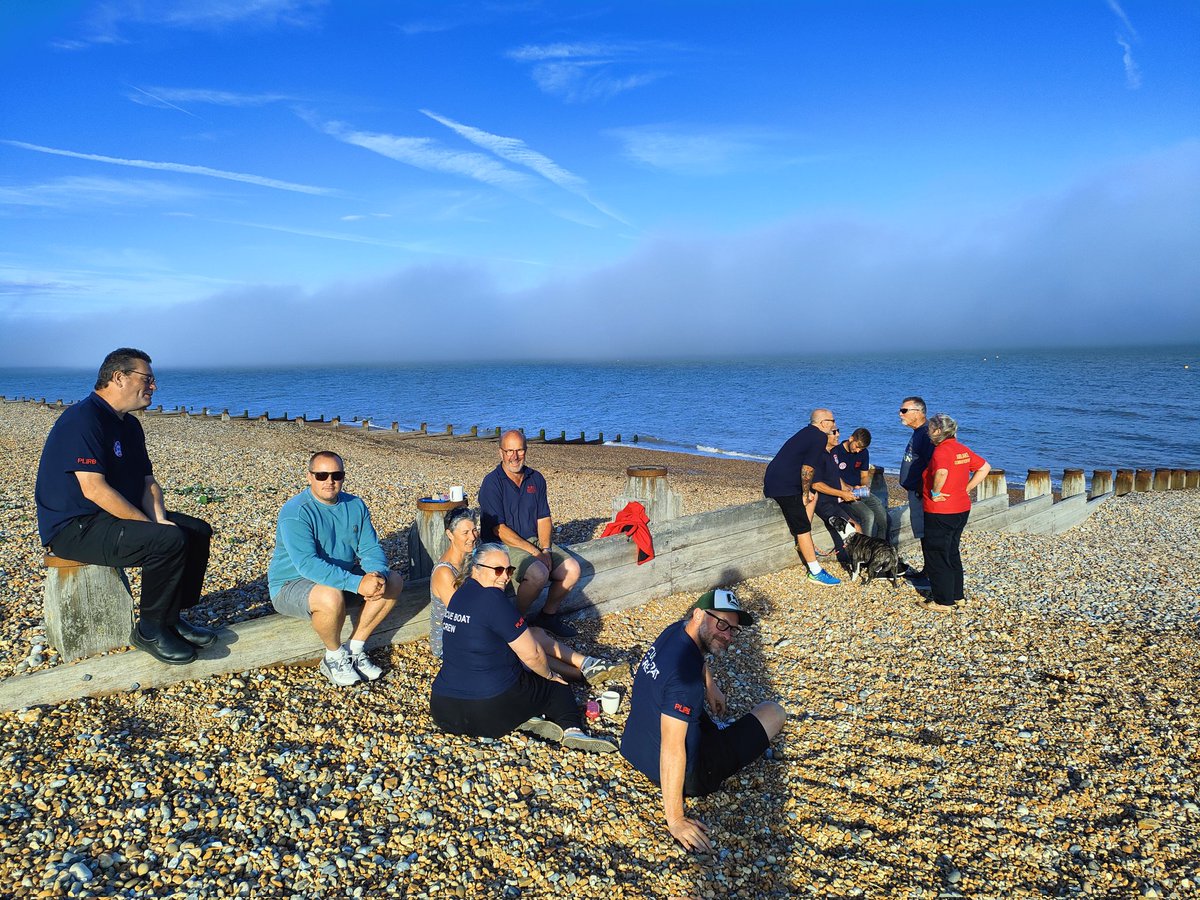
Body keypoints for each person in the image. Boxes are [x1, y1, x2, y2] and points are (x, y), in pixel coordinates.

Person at [34, 348, 215, 665]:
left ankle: (171, 618)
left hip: (110, 518)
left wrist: (158, 518)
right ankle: (149, 630)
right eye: (147, 379)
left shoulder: (130, 425)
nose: (153, 386)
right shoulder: (82, 420)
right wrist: (151, 528)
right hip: (75, 526)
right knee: (167, 540)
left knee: (197, 531)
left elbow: (148, 482)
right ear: (119, 377)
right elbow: (94, 489)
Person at [621, 589, 786, 853]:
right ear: (698, 614)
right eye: (722, 624)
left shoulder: (675, 631)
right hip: (690, 772)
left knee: (694, 716)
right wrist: (675, 820)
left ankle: (714, 730)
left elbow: (695, 658)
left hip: (633, 746)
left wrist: (711, 686)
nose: (727, 635)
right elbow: (672, 748)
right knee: (774, 712)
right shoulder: (685, 683)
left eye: (733, 630)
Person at [430, 542, 617, 753]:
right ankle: (572, 730)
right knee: (555, 686)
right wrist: (549, 675)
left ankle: (523, 718)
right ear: (476, 568)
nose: (505, 577)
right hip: (487, 709)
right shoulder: (493, 598)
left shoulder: (459, 595)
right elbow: (533, 654)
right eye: (498, 570)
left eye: (509, 570)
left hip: (443, 709)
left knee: (513, 675)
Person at [429, 507, 627, 686]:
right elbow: (465, 619)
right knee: (525, 645)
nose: (472, 537)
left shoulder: (474, 558)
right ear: (449, 534)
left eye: (474, 530)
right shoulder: (445, 573)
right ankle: (580, 674)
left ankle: (587, 664)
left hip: (478, 629)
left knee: (534, 635)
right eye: (465, 532)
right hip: (454, 644)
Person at [268, 451, 404, 686]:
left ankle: (354, 648)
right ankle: (333, 656)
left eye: (336, 475)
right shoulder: (296, 512)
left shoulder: (355, 505)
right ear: (309, 477)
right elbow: (307, 564)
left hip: (339, 579)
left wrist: (377, 575)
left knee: (392, 581)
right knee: (330, 595)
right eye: (321, 475)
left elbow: (370, 548)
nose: (329, 481)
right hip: (291, 583)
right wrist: (357, 583)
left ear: (343, 476)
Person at [478, 430, 582, 636]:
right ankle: (516, 623)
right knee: (538, 573)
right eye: (509, 451)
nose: (514, 456)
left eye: (519, 450)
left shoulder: (536, 479)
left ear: (526, 451)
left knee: (572, 569)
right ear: (501, 452)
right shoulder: (492, 483)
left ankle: (547, 616)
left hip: (533, 540)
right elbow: (499, 529)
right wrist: (536, 553)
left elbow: (543, 518)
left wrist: (546, 549)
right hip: (502, 545)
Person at [762, 409, 841, 585]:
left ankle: (804, 543)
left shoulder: (807, 432)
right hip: (784, 487)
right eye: (833, 421)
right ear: (823, 423)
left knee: (814, 496)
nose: (834, 425)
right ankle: (815, 571)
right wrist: (804, 493)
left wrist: (808, 492)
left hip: (776, 480)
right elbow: (807, 468)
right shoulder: (819, 437)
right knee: (803, 528)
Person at [921, 414, 991, 608]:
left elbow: (942, 472)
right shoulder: (962, 449)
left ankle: (943, 601)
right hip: (961, 508)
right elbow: (985, 467)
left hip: (941, 510)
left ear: (938, 431)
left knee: (937, 553)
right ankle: (957, 595)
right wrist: (967, 489)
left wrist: (936, 492)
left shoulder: (941, 451)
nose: (928, 432)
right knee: (951, 550)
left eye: (930, 428)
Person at [831, 428, 888, 540]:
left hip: (859, 491)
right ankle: (864, 546)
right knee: (868, 516)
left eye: (861, 449)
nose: (858, 451)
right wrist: (850, 489)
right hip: (844, 494)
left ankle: (881, 545)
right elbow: (834, 478)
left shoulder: (863, 453)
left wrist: (864, 486)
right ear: (851, 438)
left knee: (882, 514)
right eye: (857, 446)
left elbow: (864, 476)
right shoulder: (836, 452)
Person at [898, 397, 933, 543]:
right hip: (915, 490)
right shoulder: (918, 432)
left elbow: (932, 464)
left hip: (921, 493)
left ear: (918, 412)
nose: (900, 414)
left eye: (904, 410)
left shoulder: (927, 433)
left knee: (926, 532)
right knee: (920, 531)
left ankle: (931, 558)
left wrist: (921, 488)